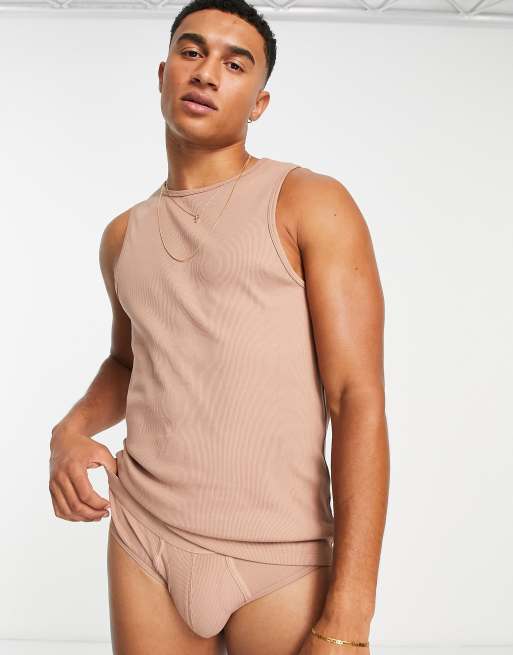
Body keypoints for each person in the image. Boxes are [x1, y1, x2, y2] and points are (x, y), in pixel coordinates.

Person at [49, 0, 390, 653]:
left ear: (259, 103)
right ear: (162, 74)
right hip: (146, 538)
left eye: (235, 65)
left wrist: (350, 618)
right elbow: (128, 362)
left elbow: (357, 400)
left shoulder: (309, 202)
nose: (206, 73)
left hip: (282, 556)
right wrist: (68, 431)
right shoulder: (122, 236)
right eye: (191, 51)